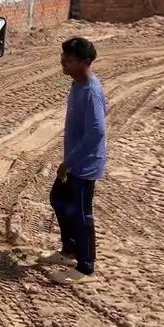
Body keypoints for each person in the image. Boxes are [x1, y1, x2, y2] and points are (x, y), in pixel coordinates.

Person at [40, 36, 107, 285]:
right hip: (74, 161)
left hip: (85, 164)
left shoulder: (90, 91)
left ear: (85, 62)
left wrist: (69, 162)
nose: (63, 64)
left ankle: (86, 267)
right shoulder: (77, 84)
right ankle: (69, 251)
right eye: (63, 58)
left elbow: (97, 131)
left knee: (81, 214)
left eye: (69, 60)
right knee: (58, 199)